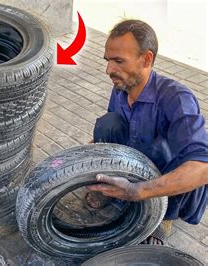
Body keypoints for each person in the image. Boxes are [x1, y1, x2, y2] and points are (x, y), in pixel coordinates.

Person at [87, 19, 208, 245]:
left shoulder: (177, 99)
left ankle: (165, 217)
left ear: (147, 59)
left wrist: (137, 191)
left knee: (166, 148)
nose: (108, 70)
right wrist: (83, 158)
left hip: (165, 171)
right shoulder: (121, 87)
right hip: (138, 159)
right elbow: (111, 130)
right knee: (108, 123)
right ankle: (112, 187)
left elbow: (203, 168)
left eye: (119, 61)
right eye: (108, 60)